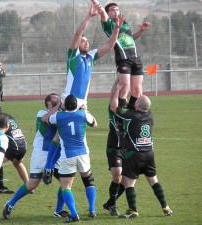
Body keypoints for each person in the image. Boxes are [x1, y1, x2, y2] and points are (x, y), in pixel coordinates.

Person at [43, 2, 123, 187]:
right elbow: (77, 34)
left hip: (81, 104)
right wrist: (89, 16)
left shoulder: (91, 56)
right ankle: (53, 167)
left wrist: (117, 28)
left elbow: (110, 45)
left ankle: (53, 168)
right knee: (57, 133)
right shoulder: (73, 56)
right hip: (68, 103)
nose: (86, 42)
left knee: (61, 137)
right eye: (83, 41)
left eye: (87, 41)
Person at [110, 83, 173, 219]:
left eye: (136, 102)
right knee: (153, 181)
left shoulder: (131, 116)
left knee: (128, 182)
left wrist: (117, 91)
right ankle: (166, 207)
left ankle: (133, 210)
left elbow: (114, 107)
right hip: (149, 153)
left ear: (137, 106)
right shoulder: (150, 115)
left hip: (134, 153)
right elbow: (143, 103)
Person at [3, 93, 69, 220]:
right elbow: (46, 118)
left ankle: (58, 210)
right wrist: (60, 105)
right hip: (41, 152)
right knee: (33, 184)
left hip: (56, 153)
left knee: (65, 183)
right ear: (49, 103)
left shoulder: (61, 114)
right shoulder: (42, 113)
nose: (59, 100)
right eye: (56, 99)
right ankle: (10, 204)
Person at [45, 95, 98, 223]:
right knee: (89, 181)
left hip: (67, 155)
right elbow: (95, 124)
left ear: (65, 105)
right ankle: (92, 209)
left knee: (66, 187)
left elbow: (47, 120)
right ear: (76, 105)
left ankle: (74, 214)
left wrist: (60, 108)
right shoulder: (83, 114)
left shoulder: (58, 116)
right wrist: (86, 110)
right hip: (83, 154)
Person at [92, 0, 151, 108]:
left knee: (137, 90)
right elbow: (100, 9)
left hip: (136, 58)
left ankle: (133, 115)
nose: (115, 11)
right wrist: (95, 2)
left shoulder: (124, 23)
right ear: (107, 13)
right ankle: (121, 115)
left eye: (117, 9)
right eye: (112, 10)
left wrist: (141, 31)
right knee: (124, 87)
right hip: (123, 59)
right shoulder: (108, 24)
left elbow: (130, 38)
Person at [0, 102, 28, 194]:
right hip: (23, 145)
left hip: (13, 147)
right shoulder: (9, 116)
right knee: (17, 163)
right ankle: (29, 186)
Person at [103, 78, 126, 217]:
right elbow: (112, 101)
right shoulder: (113, 113)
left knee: (128, 180)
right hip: (113, 148)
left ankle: (110, 202)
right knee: (117, 176)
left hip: (127, 149)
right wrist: (117, 83)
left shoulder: (130, 114)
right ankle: (113, 206)